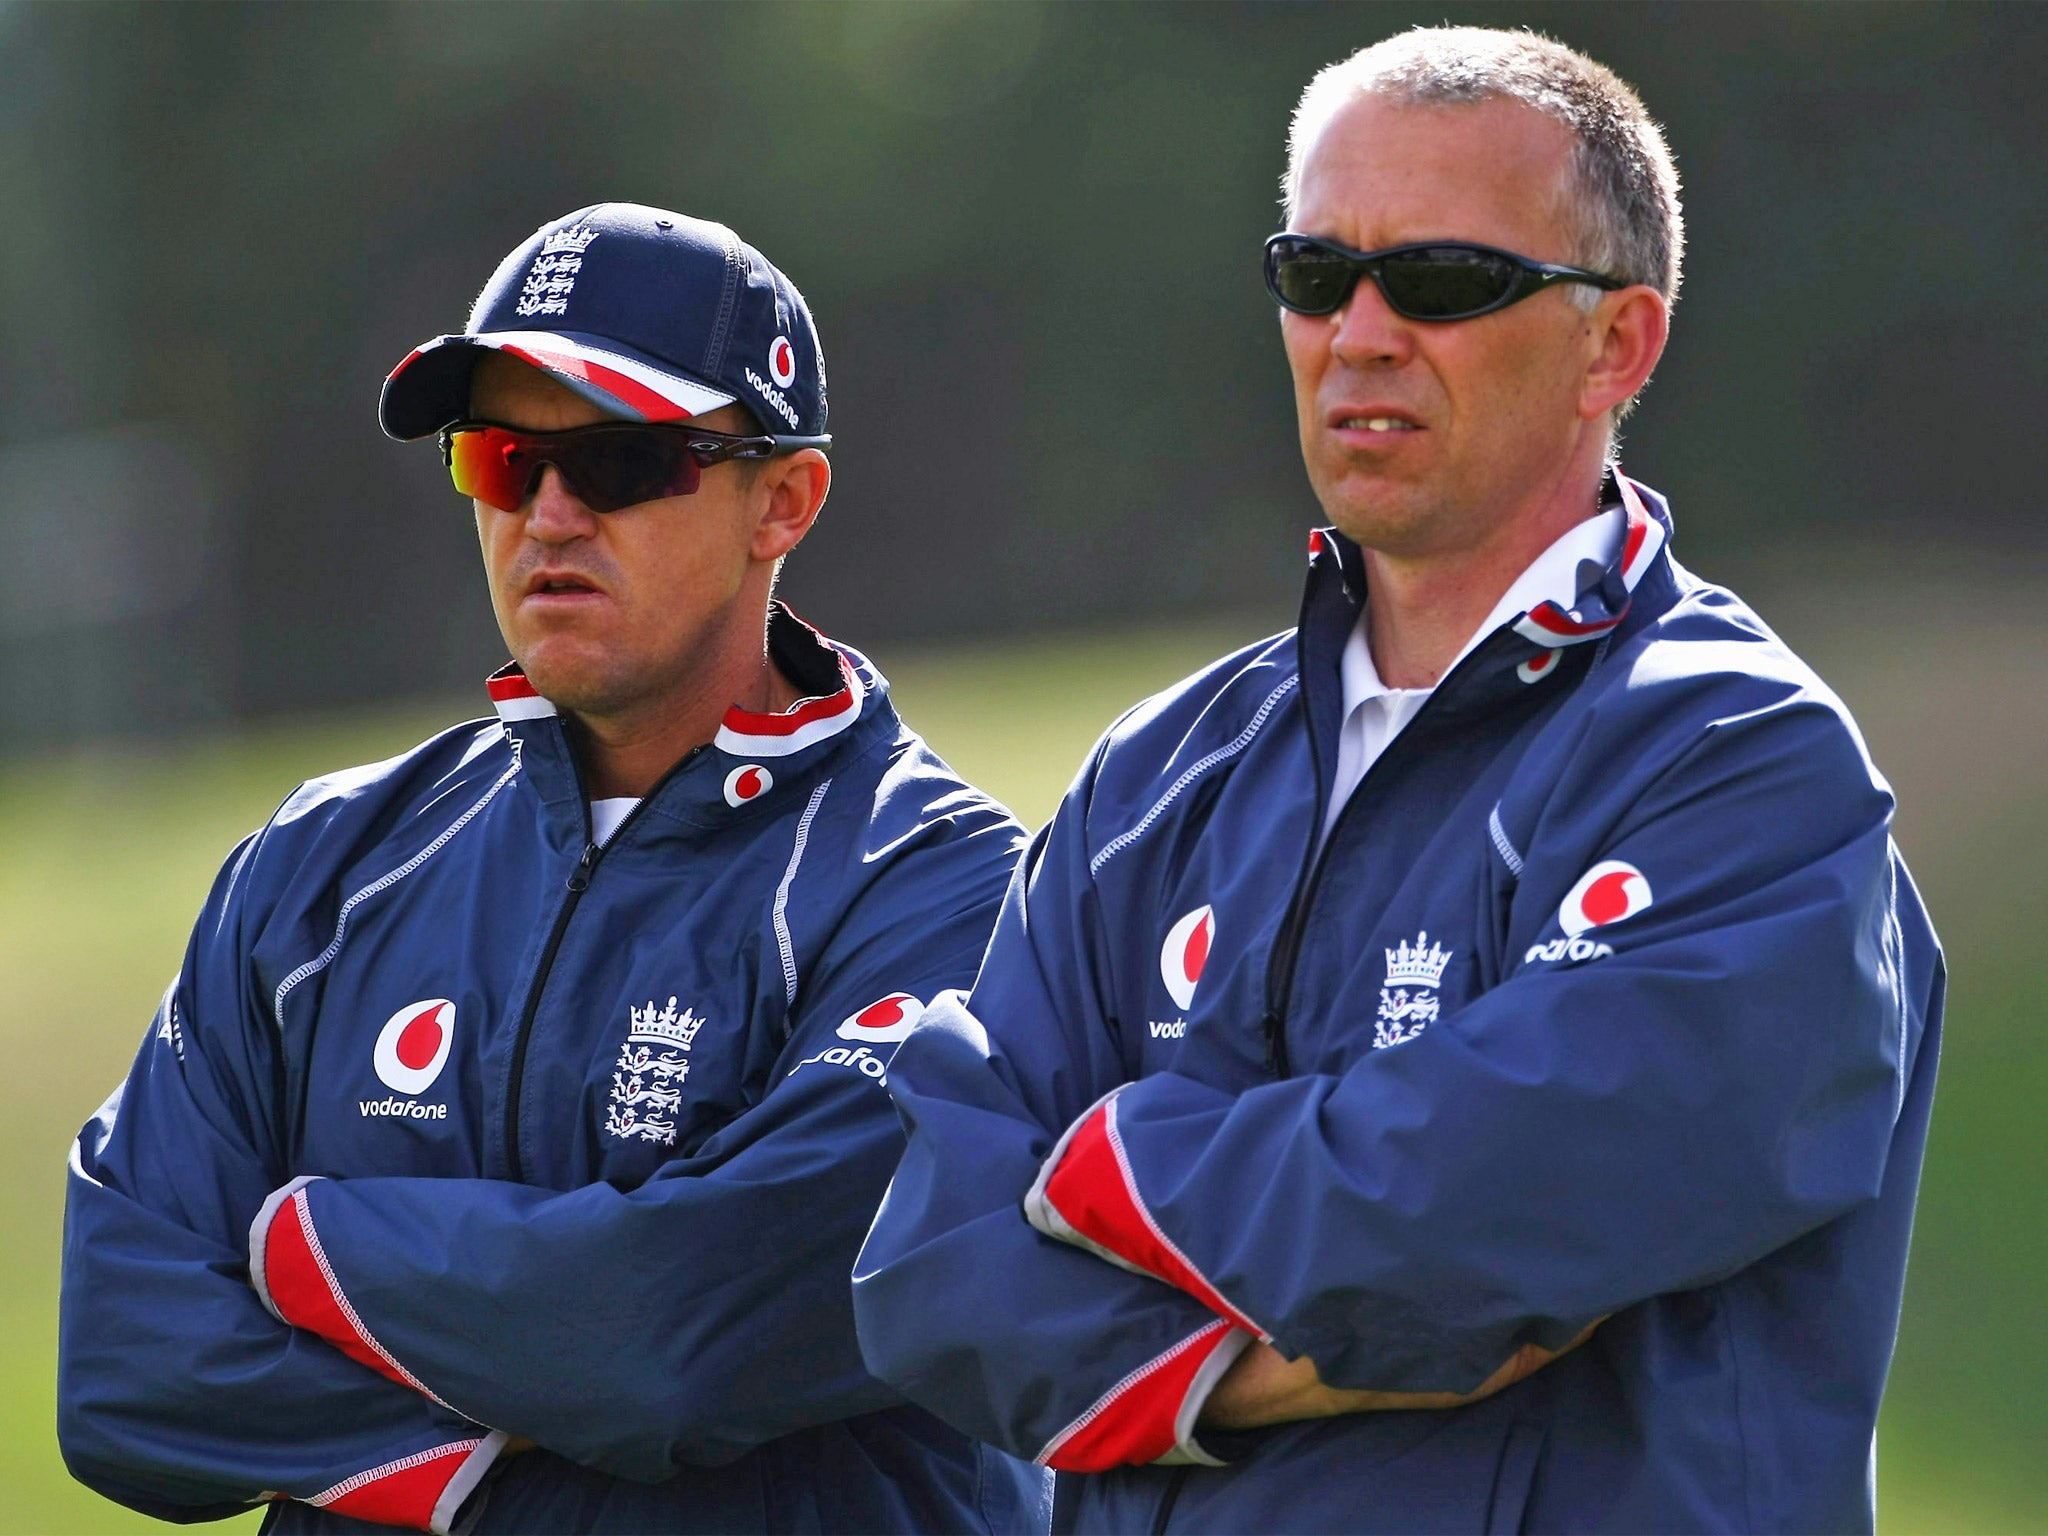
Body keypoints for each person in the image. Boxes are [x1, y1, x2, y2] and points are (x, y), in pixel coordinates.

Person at [852, 29, 1942, 1534]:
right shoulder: (1158, 773)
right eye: (1315, 275)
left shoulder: (1740, 757)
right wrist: (1251, 1379)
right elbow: (927, 1270)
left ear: (1617, 346)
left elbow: (1496, 1208)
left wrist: (1098, 1166)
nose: (1359, 333)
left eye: (1441, 282)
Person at [58, 203, 1040, 1534]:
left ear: (785, 500)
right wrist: (496, 1453)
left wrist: (299, 1245)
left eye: (624, 463)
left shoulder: (952, 890)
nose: (552, 514)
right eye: (504, 461)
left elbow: (666, 1340)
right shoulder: (317, 867)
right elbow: (124, 1371)